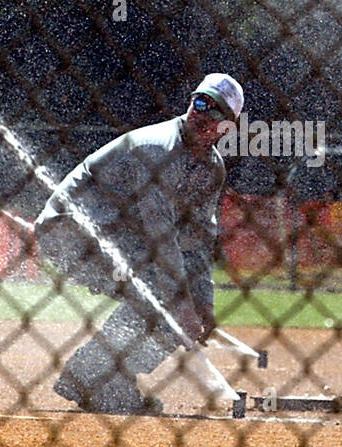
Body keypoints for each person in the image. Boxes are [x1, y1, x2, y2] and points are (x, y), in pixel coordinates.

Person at [36, 73, 243, 415]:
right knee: (162, 296)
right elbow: (161, 236)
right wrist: (182, 305)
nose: (202, 113)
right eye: (200, 101)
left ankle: (106, 377)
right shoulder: (157, 149)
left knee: (167, 300)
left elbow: (198, 238)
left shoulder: (211, 170)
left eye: (216, 110)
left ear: (228, 128)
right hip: (68, 232)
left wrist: (202, 302)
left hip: (116, 236)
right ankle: (92, 377)